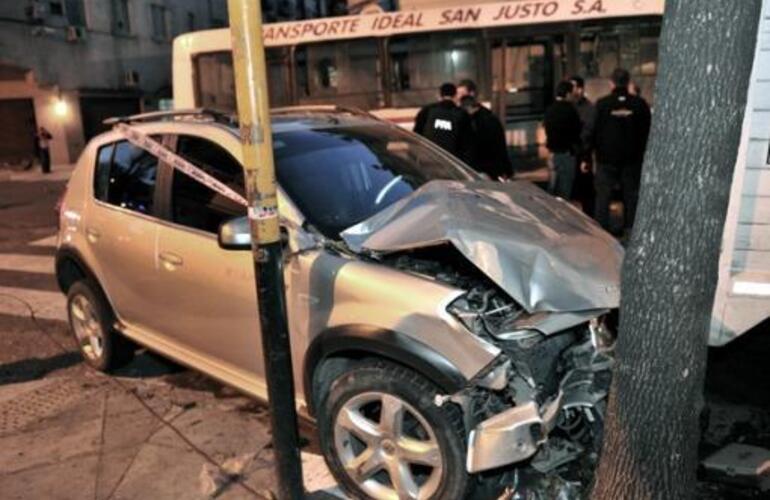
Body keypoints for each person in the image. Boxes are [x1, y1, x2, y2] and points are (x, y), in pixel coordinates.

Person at [592, 68, 652, 234]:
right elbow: (647, 130)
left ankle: (603, 230)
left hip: (606, 159)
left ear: (611, 83)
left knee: (603, 196)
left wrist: (588, 153)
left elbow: (592, 130)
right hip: (632, 159)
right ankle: (631, 229)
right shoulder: (639, 105)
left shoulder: (602, 104)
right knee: (631, 196)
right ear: (628, 82)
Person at [457, 81, 513, 180]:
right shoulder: (485, 116)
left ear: (472, 94)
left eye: (462, 94)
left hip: (483, 170)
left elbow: (498, 144)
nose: (459, 97)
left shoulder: (485, 118)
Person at [413, 82, 473, 162]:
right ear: (455, 96)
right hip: (452, 163)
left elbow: (416, 134)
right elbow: (467, 143)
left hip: (428, 160)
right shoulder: (462, 114)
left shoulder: (427, 110)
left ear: (440, 95)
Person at [543, 80, 582, 200]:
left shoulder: (550, 110)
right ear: (568, 94)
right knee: (565, 191)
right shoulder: (570, 110)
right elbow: (577, 132)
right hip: (566, 153)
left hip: (552, 154)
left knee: (552, 189)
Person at [570, 75, 597, 215]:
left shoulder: (588, 108)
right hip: (573, 153)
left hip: (581, 154)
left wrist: (585, 156)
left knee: (585, 191)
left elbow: (588, 133)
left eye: (572, 87)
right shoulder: (570, 106)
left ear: (580, 89)